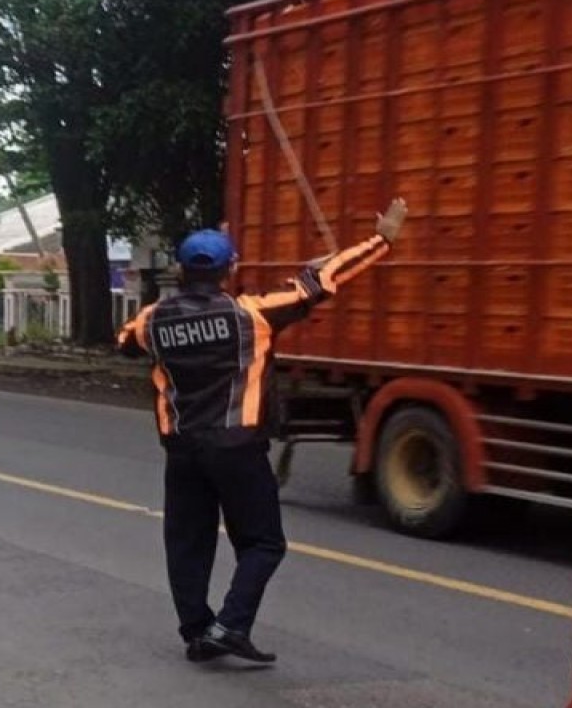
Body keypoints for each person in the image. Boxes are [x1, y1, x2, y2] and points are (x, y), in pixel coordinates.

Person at [117, 199, 407, 663]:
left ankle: (198, 631)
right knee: (264, 542)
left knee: (188, 544)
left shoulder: (152, 321)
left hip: (184, 450)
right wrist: (382, 239)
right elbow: (322, 282)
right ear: (231, 268)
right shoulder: (254, 315)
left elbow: (124, 341)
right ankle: (230, 624)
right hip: (238, 448)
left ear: (179, 269)